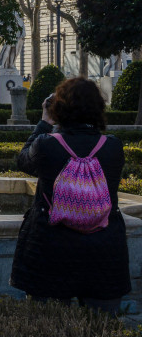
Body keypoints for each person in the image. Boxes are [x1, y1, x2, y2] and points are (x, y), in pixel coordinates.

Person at [10, 77, 130, 313]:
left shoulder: (46, 145)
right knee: (101, 327)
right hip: (104, 254)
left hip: (50, 251)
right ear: (98, 107)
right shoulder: (113, 147)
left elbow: (23, 161)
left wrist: (45, 122)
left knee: (48, 325)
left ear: (58, 108)